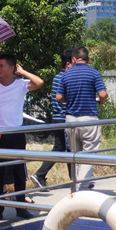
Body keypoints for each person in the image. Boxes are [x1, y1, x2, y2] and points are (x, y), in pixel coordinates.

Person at [0, 54, 44, 222]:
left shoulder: (21, 84)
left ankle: (21, 208)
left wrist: (22, 72)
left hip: (16, 134)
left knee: (19, 173)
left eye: (2, 65)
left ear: (11, 68)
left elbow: (39, 82)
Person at [56, 46, 107, 191]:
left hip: (71, 120)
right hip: (88, 119)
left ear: (73, 59)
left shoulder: (66, 74)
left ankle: (77, 186)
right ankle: (80, 189)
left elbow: (59, 97)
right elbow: (103, 95)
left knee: (76, 157)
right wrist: (100, 101)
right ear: (88, 59)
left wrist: (70, 99)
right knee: (89, 156)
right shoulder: (93, 73)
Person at [31, 49, 73, 189]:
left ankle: (75, 179)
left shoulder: (57, 77)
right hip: (64, 118)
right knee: (65, 148)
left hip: (57, 117)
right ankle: (40, 174)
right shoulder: (66, 78)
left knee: (65, 148)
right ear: (68, 64)